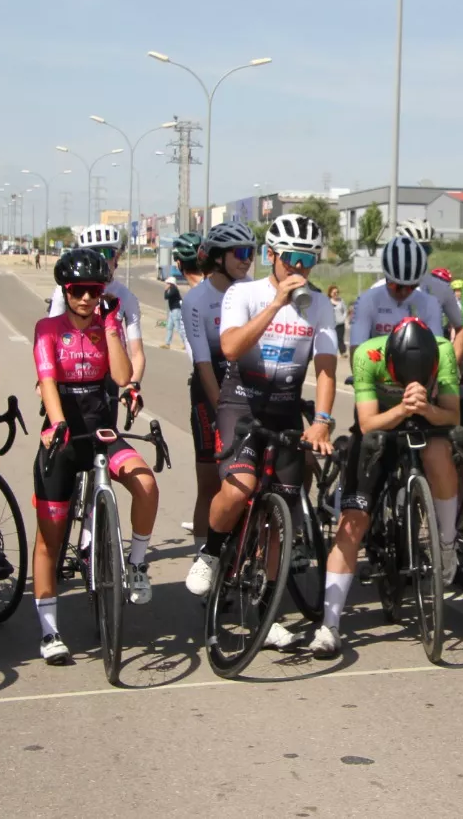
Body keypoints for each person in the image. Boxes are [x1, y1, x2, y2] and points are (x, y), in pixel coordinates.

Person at [186, 215, 337, 652]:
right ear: (272, 256)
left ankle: (267, 609)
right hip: (243, 403)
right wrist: (275, 304)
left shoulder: (320, 305)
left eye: (308, 260)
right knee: (238, 489)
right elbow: (231, 347)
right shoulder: (243, 293)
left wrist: (323, 419)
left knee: (279, 518)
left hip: (285, 408)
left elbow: (326, 368)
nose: (300, 269)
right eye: (291, 259)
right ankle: (212, 552)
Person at [29, 248, 156, 663]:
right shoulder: (47, 328)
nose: (86, 298)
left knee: (146, 483)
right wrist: (56, 422)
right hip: (64, 431)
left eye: (94, 290)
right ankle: (49, 632)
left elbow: (121, 376)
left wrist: (111, 327)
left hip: (102, 431)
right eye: (78, 290)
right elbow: (47, 379)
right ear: (65, 291)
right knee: (50, 536)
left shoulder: (108, 322)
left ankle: (135, 564)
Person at [310, 317, 462, 656]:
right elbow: (366, 423)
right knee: (352, 522)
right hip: (379, 424)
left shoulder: (444, 350)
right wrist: (402, 408)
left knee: (441, 456)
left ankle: (448, 543)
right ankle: (329, 625)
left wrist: (425, 408)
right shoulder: (367, 355)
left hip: (426, 418)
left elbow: (452, 416)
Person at [181, 222, 257, 545]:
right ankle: (204, 557)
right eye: (240, 253)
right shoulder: (196, 300)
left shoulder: (252, 290)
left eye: (251, 253)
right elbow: (202, 363)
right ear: (218, 257)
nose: (247, 260)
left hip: (249, 390)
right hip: (210, 393)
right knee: (211, 484)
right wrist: (221, 413)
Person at [47, 224, 145, 387]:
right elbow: (51, 339)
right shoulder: (64, 290)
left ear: (117, 257)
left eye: (107, 253)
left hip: (108, 378)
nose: (101, 258)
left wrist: (133, 387)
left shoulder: (126, 297)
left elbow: (137, 353)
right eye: (93, 252)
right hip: (67, 373)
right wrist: (46, 380)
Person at [379, 220, 463, 361]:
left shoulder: (441, 288)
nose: (420, 255)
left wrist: (450, 366)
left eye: (425, 249)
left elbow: (462, 328)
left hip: (429, 370)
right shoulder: (378, 289)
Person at [352, 237, 444, 346]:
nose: (404, 292)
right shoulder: (368, 300)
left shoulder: (431, 304)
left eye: (411, 286)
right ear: (386, 278)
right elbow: (356, 353)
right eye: (398, 286)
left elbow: (438, 351)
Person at [162, 234, 199, 350]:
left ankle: (185, 343)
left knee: (179, 328)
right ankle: (167, 343)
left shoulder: (173, 290)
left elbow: (166, 296)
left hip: (176, 311)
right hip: (173, 310)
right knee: (169, 327)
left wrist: (167, 289)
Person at [328, 285, 347, 353]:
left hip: (340, 323)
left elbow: (345, 311)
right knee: (332, 338)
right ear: (330, 293)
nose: (336, 294)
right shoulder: (328, 302)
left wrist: (343, 318)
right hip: (331, 324)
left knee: (340, 339)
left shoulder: (341, 301)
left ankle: (343, 352)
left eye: (337, 292)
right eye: (334, 293)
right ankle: (331, 352)